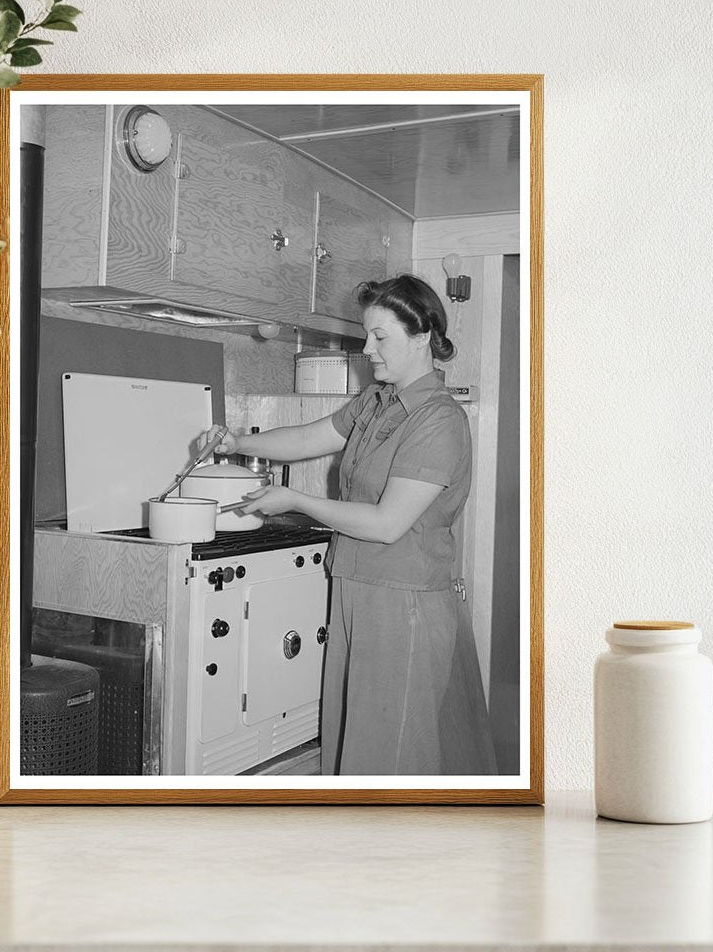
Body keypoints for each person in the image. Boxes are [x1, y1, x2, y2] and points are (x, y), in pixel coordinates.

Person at [205, 275, 497, 776]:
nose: (367, 349)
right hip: (356, 588)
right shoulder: (376, 402)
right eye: (367, 335)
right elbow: (306, 438)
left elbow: (388, 524)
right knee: (360, 738)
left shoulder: (439, 420)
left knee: (396, 753)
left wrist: (296, 498)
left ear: (423, 334)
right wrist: (236, 443)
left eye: (380, 337)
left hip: (403, 600)